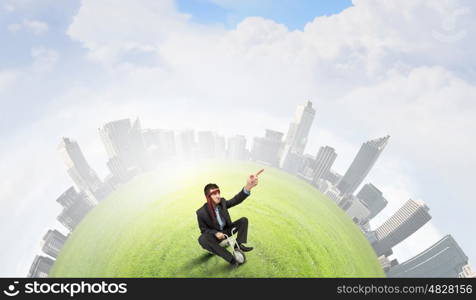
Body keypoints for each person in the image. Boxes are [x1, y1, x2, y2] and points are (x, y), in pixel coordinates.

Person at [196, 169, 263, 266]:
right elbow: (204, 230)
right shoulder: (201, 212)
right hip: (215, 237)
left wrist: (248, 186)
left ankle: (238, 246)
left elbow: (236, 200)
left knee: (243, 220)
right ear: (208, 197)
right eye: (214, 194)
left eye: (218, 192)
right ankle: (232, 260)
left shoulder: (222, 202)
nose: (218, 196)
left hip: (226, 230)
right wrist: (215, 233)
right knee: (202, 239)